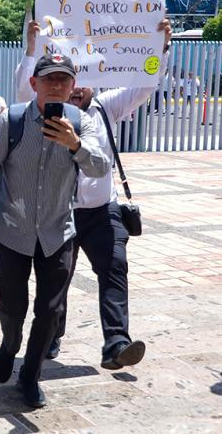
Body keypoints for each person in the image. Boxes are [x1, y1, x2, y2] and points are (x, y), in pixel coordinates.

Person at [15, 19, 173, 372]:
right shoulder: (42, 112)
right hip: (60, 214)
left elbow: (145, 85)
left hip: (103, 212)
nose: (75, 89)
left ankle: (116, 342)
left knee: (115, 268)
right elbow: (24, 94)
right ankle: (51, 336)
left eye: (82, 81)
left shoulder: (106, 107)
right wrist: (31, 49)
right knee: (57, 280)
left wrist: (160, 47)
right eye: (70, 80)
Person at [0, 53, 110, 409]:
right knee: (13, 307)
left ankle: (30, 375)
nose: (57, 86)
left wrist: (74, 144)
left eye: (64, 80)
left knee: (50, 310)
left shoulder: (82, 122)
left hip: (58, 232)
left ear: (72, 86)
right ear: (34, 84)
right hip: (12, 232)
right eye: (49, 79)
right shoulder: (12, 120)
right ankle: (9, 344)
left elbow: (100, 167)